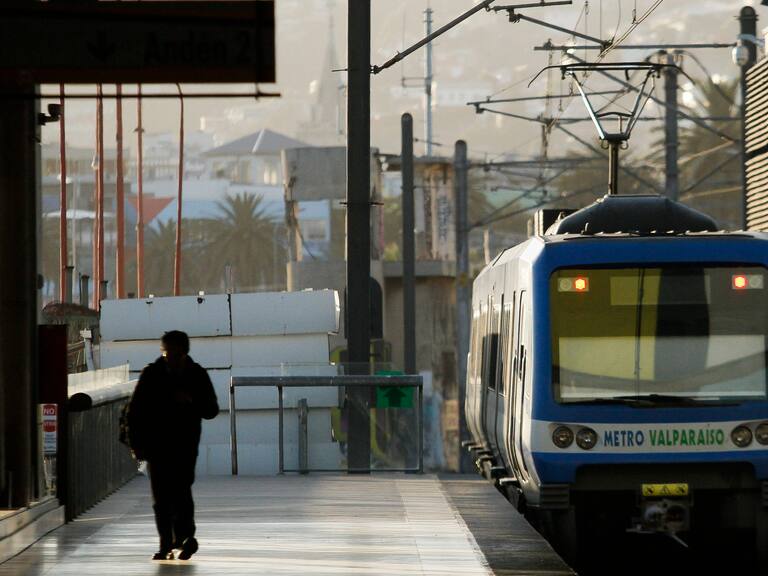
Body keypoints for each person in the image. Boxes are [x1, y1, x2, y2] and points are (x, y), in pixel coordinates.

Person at [127, 330, 219, 561]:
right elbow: (135, 413)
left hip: (184, 445)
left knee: (179, 491)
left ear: (185, 353)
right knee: (163, 495)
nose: (172, 359)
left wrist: (191, 401)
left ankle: (182, 538)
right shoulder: (152, 375)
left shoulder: (196, 375)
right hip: (158, 445)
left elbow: (211, 410)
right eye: (169, 354)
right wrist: (136, 443)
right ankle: (170, 542)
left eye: (176, 355)